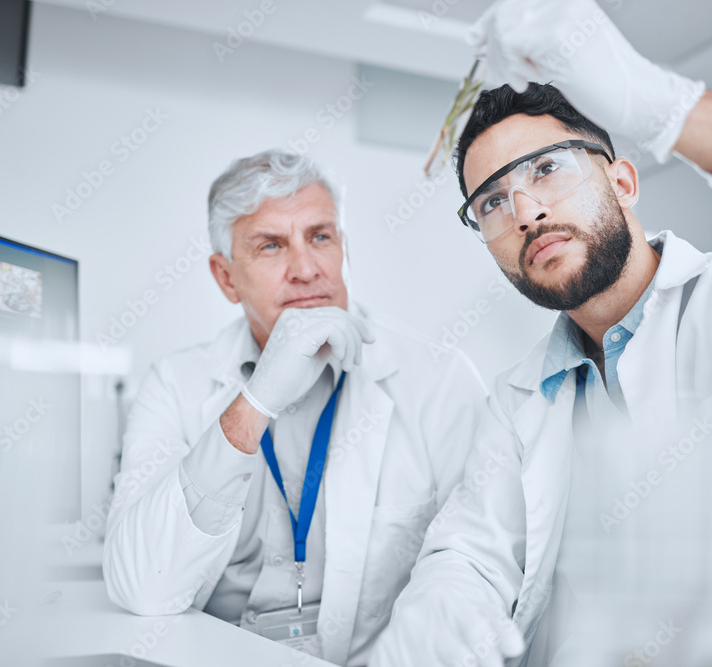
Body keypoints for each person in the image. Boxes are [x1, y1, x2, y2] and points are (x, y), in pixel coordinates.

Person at [371, 1, 712, 665]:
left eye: (546, 168)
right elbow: (470, 550)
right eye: (491, 202)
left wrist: (662, 106)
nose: (526, 211)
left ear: (624, 180)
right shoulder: (515, 403)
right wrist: (442, 598)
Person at [103, 150, 487, 666]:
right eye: (271, 245)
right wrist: (258, 399)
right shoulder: (174, 384)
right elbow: (142, 587)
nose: (306, 269)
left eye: (321, 237)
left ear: (345, 250)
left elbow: (474, 569)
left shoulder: (438, 378)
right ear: (225, 278)